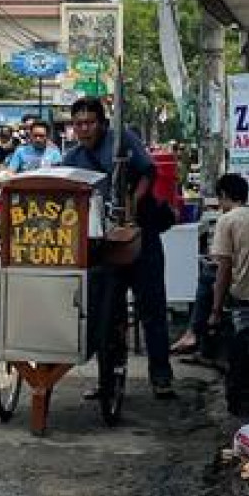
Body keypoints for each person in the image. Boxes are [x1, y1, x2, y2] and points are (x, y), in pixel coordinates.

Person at [61, 95, 176, 399]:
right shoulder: (71, 159)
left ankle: (161, 376)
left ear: (101, 123)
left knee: (151, 308)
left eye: (89, 123)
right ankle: (105, 380)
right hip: (101, 246)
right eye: (78, 124)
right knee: (103, 314)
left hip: (141, 236)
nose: (84, 129)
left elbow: (149, 172)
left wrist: (132, 204)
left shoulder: (122, 140)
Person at [174, 173, 249, 360]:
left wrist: (215, 311)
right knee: (212, 273)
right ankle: (198, 337)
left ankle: (192, 333)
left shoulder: (228, 219)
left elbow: (224, 268)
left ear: (223, 195)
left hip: (246, 294)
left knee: (207, 275)